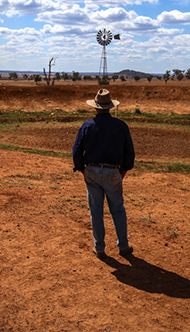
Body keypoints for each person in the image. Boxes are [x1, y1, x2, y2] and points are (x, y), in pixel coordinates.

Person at [72, 89, 135, 259]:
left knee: (96, 211)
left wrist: (82, 169)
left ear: (96, 107)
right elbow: (130, 153)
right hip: (113, 172)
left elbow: (77, 151)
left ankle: (99, 248)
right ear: (110, 107)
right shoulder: (121, 126)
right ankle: (123, 246)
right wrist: (123, 171)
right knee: (118, 209)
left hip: (91, 171)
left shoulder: (87, 126)